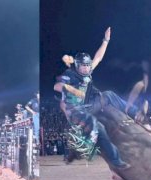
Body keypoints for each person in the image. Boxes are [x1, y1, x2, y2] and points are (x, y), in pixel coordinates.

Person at [53, 27, 129, 169]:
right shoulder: (70, 74)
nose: (87, 69)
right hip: (75, 110)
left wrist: (106, 40)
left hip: (88, 105)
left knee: (109, 95)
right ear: (77, 65)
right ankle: (89, 149)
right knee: (97, 126)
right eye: (83, 66)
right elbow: (57, 86)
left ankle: (134, 112)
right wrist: (72, 89)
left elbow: (98, 58)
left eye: (88, 66)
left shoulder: (88, 72)